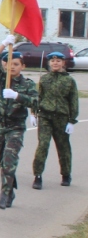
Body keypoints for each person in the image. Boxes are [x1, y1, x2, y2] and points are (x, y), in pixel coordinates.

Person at [0, 37, 39, 209]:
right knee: (2, 162)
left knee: (9, 161)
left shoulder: (28, 84)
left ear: (23, 66)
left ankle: (4, 194)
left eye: (16, 64)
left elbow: (36, 102)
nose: (11, 67)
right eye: (9, 63)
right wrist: (3, 44)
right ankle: (10, 190)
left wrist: (17, 96)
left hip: (15, 127)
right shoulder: (1, 79)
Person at [33, 52, 78, 189]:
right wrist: (33, 113)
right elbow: (38, 97)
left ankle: (66, 174)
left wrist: (72, 120)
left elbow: (73, 101)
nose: (55, 63)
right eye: (53, 61)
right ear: (49, 63)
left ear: (63, 63)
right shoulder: (44, 79)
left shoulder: (69, 81)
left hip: (61, 117)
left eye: (58, 60)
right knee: (43, 145)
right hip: (45, 116)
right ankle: (38, 175)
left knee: (63, 147)